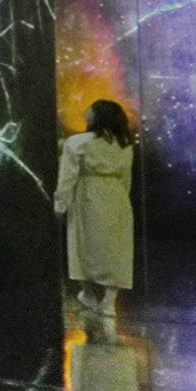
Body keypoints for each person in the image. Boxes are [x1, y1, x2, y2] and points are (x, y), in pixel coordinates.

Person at [57, 98, 137, 322]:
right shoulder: (124, 144)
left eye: (91, 109)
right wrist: (122, 198)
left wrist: (61, 203)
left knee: (83, 245)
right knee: (116, 249)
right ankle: (109, 301)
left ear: (97, 116)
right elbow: (126, 177)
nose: (87, 111)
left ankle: (88, 294)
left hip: (87, 195)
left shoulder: (77, 142)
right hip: (116, 196)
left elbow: (67, 176)